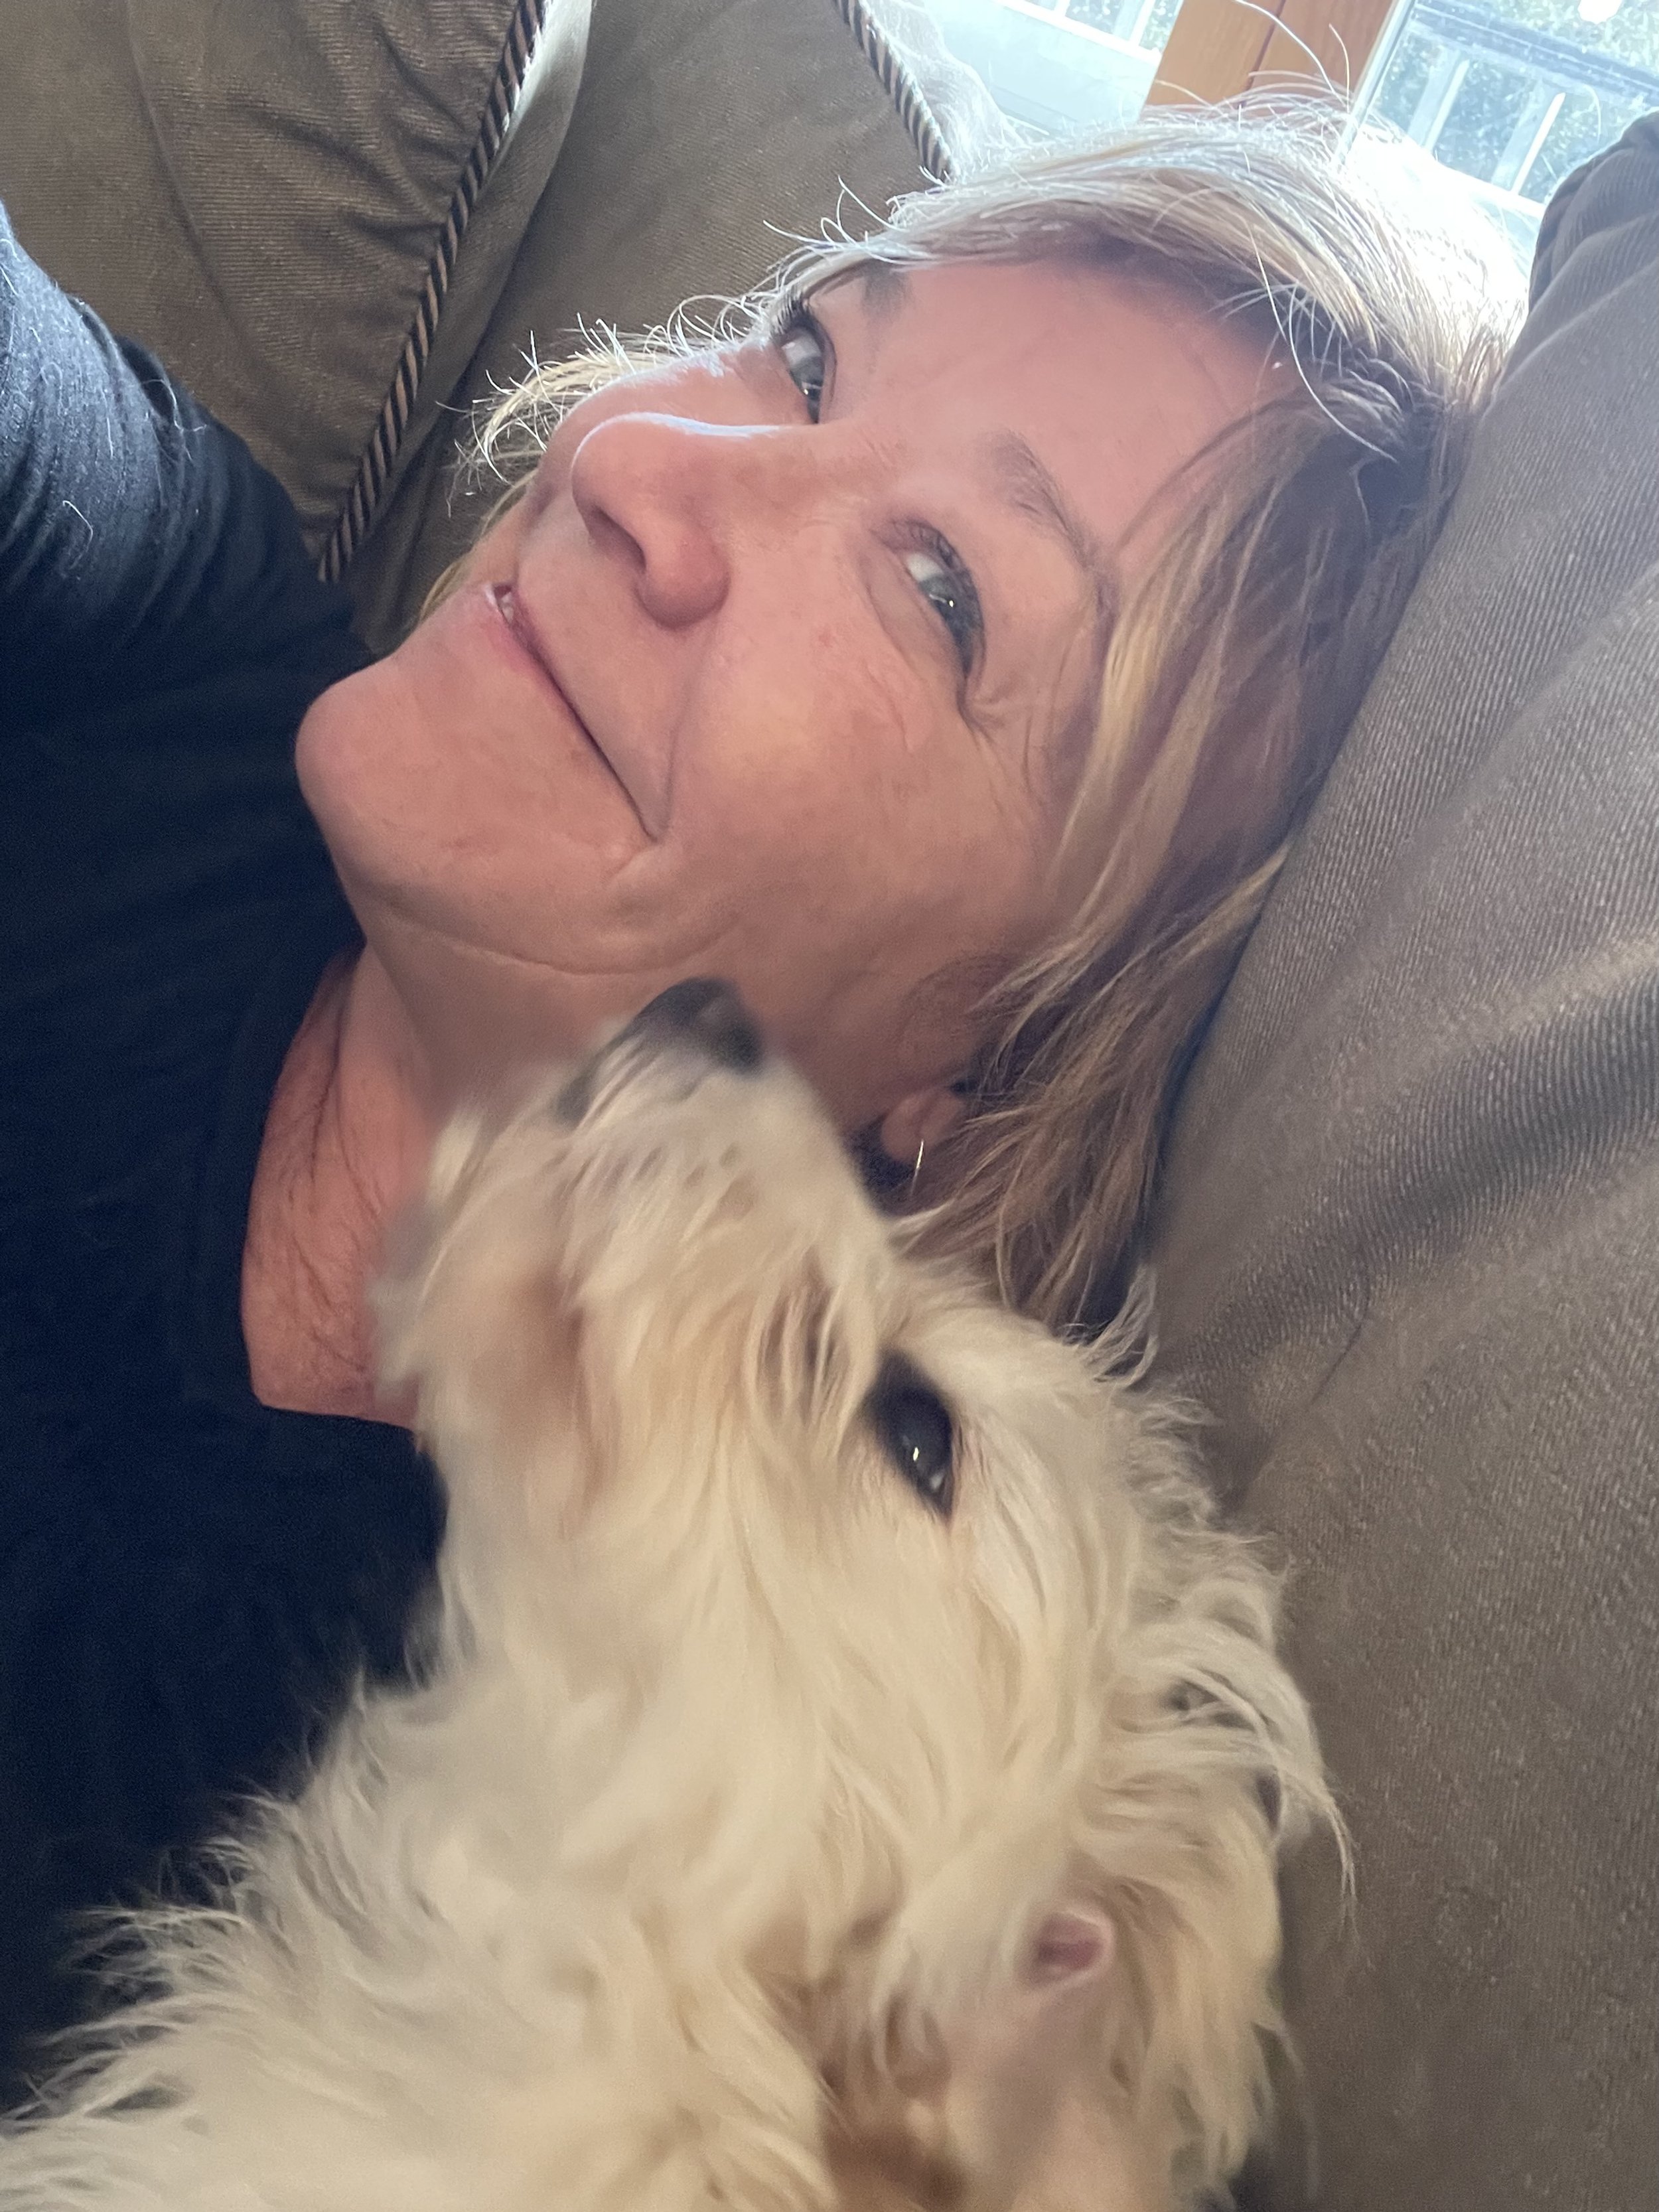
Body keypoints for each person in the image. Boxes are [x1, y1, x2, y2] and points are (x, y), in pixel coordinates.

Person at [0, 103, 1508, 2104]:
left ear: (1001, 1064)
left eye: (939, 590)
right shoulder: (156, 666)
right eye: (801, 357)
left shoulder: (611, 1892)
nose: (636, 459)